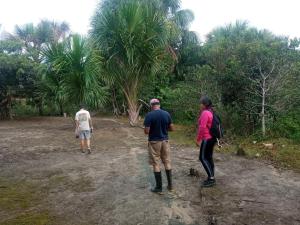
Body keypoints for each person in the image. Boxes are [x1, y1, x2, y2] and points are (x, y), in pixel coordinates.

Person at [144, 99, 174, 193]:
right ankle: (170, 186)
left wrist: (148, 128)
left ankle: (159, 188)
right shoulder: (166, 114)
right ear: (159, 105)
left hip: (154, 142)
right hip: (165, 141)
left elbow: (147, 131)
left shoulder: (149, 115)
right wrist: (164, 129)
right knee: (167, 162)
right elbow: (172, 128)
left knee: (156, 163)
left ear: (151, 105)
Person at [195, 96, 217, 187]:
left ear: (204, 104)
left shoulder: (205, 113)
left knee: (202, 158)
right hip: (212, 138)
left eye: (201, 103)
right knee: (208, 157)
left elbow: (202, 127)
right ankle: (211, 176)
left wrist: (198, 139)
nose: (200, 105)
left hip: (207, 138)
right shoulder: (211, 111)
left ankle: (211, 178)